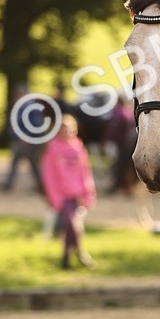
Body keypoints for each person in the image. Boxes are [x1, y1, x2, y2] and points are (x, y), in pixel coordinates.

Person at [40, 115, 97, 269]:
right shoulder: (53, 148)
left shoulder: (78, 147)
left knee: (71, 226)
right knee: (72, 225)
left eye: (70, 129)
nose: (67, 132)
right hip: (62, 195)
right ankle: (79, 253)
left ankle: (67, 257)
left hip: (76, 195)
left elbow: (85, 172)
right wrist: (55, 197)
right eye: (64, 129)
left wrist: (88, 193)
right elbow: (49, 174)